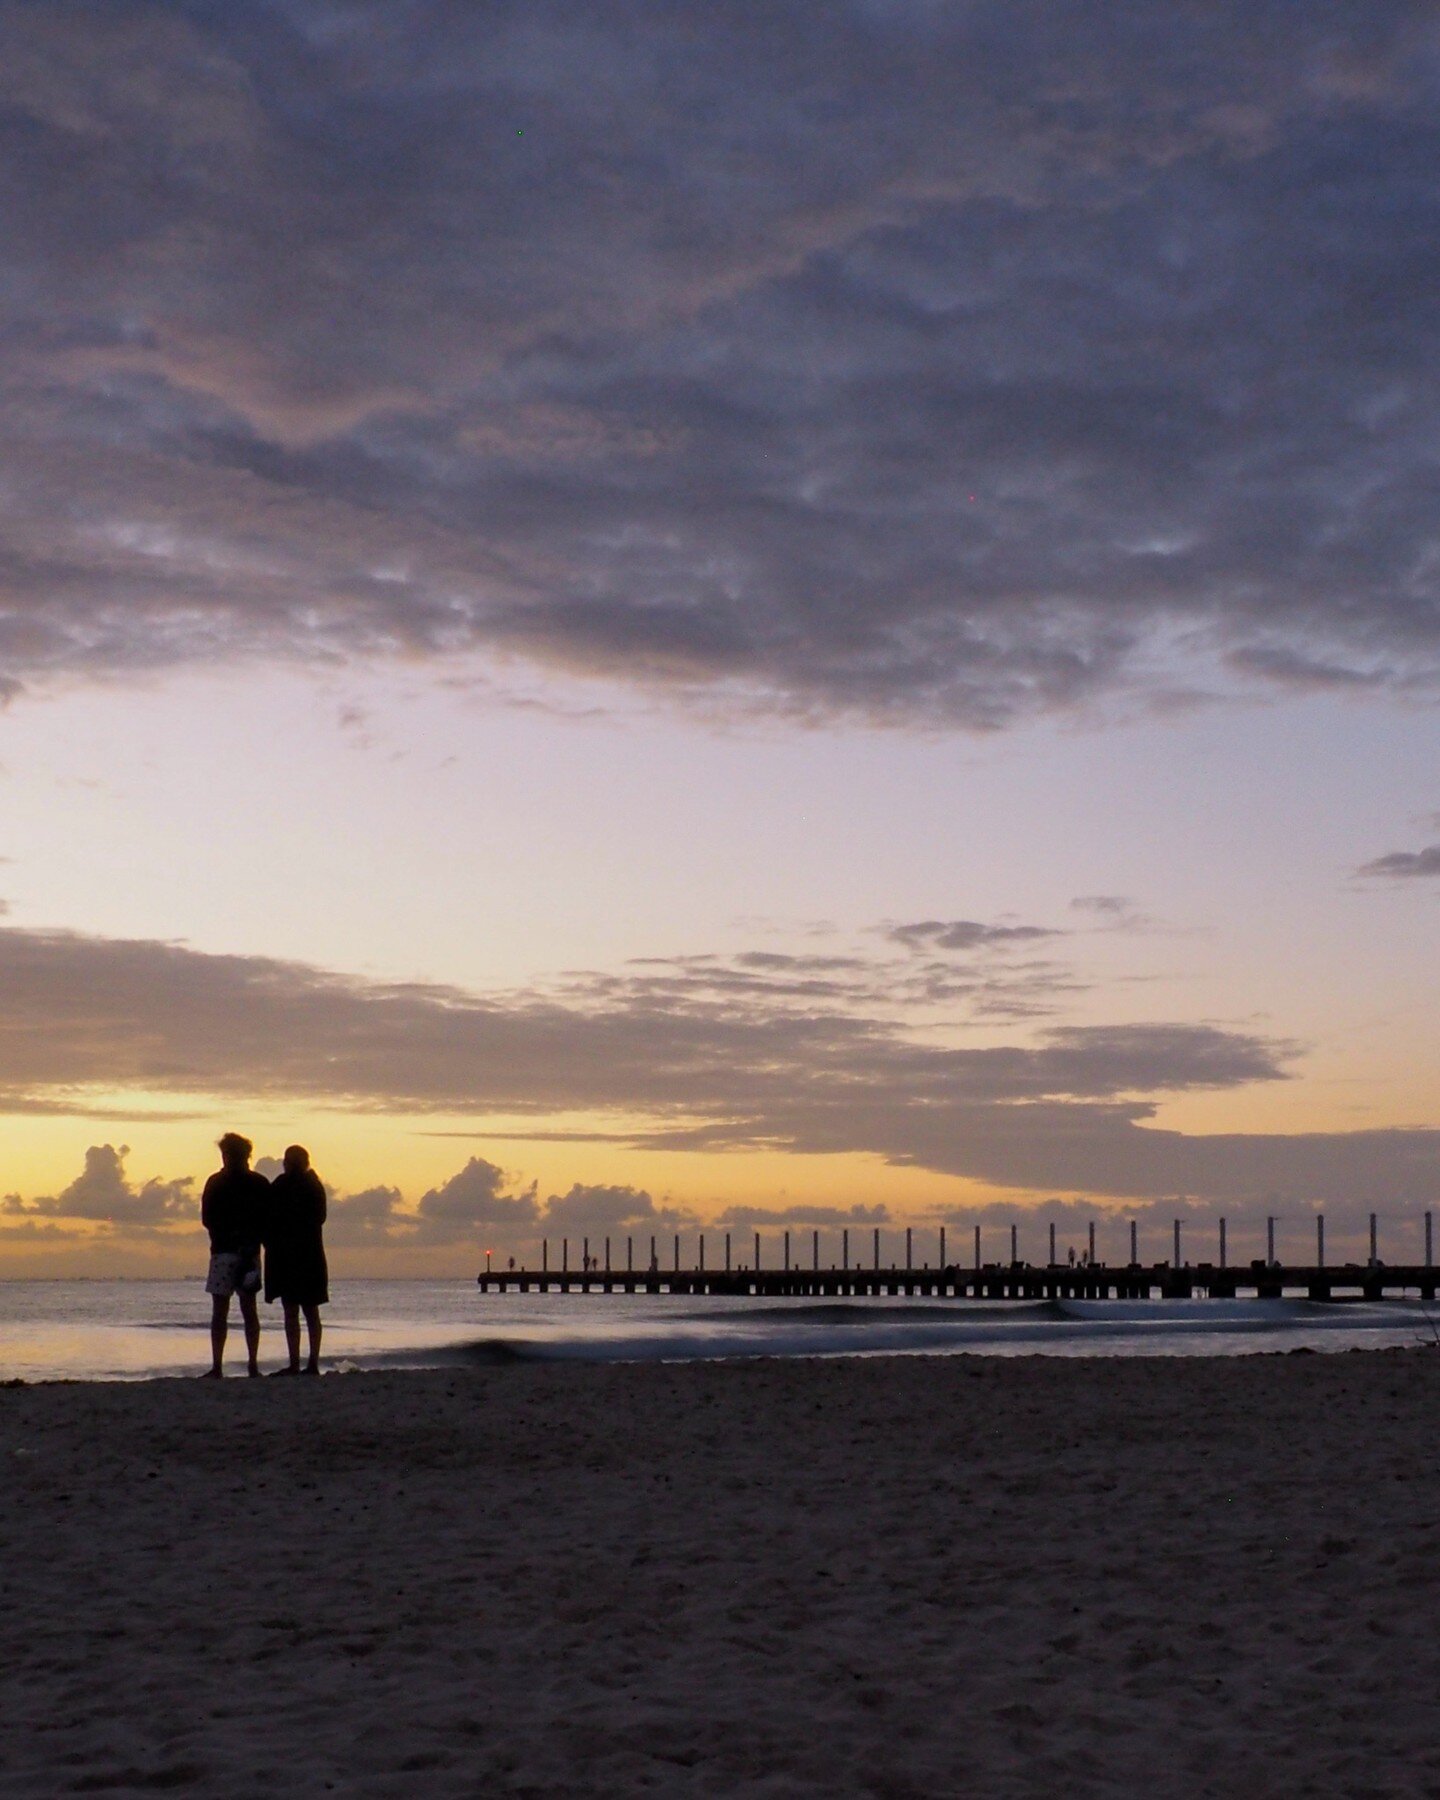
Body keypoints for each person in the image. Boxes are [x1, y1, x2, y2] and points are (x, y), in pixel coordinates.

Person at [200, 1132, 270, 1378]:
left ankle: (222, 1365)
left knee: (224, 1309)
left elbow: (207, 1219)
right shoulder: (259, 1183)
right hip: (245, 1252)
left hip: (225, 1252)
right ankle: (247, 1364)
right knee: (244, 1308)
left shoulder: (217, 1182)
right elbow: (266, 1220)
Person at [263, 1144, 329, 1376]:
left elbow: (268, 1218)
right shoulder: (312, 1185)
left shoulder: (285, 1185)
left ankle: (298, 1363)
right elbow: (320, 1217)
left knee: (294, 1311)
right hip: (307, 1254)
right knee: (309, 1311)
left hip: (290, 1255)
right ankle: (310, 1363)